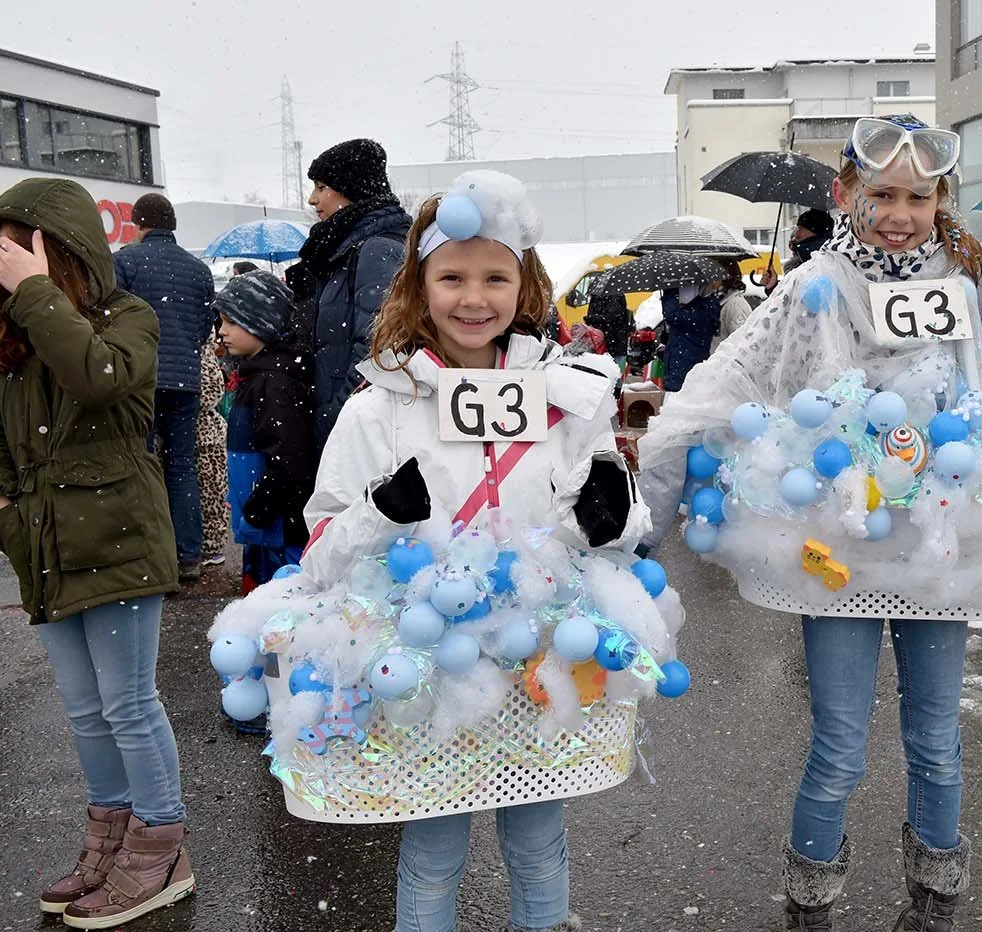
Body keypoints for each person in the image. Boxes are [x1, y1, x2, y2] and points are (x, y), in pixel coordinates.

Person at [638, 115, 982, 931]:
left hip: (943, 545)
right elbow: (720, 389)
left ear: (942, 198)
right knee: (838, 745)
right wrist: (641, 520)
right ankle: (812, 907)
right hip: (844, 551)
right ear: (847, 194)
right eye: (882, 194)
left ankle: (936, 904)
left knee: (936, 741)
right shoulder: (812, 288)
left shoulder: (969, 279)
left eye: (918, 195)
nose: (900, 213)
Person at [299, 170, 648, 932]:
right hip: (429, 668)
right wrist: (380, 514)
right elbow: (320, 553)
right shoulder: (376, 408)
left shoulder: (566, 399)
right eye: (451, 276)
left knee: (538, 842)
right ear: (418, 286)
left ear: (525, 286)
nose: (473, 297)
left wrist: (611, 518)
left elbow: (617, 526)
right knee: (431, 849)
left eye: (496, 276)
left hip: (540, 661)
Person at [0, 178, 193, 928]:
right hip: (45, 545)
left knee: (128, 704)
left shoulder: (128, 317)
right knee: (84, 710)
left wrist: (36, 292)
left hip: (115, 537)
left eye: (19, 246)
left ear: (62, 249)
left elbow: (99, 377)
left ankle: (162, 845)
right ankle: (111, 841)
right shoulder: (15, 338)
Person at [113, 193, 218, 582]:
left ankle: (149, 558)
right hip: (186, 381)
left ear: (140, 225)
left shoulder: (124, 261)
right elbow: (206, 327)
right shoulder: (197, 268)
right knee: (181, 466)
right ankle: (188, 555)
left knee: (141, 464)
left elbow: (112, 317)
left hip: (139, 380)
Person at [285, 138, 412, 455]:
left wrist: (336, 416)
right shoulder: (344, 250)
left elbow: (377, 349)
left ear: (351, 189)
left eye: (322, 186)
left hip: (357, 427)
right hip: (347, 418)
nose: (313, 199)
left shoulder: (377, 249)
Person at [214, 271, 315, 594]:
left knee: (278, 612)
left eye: (231, 322)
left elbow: (288, 460)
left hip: (277, 530)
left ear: (261, 322)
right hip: (266, 528)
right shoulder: (260, 376)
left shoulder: (274, 382)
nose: (221, 332)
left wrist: (257, 512)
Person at [196, 336, 230, 568]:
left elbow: (210, 392)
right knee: (210, 488)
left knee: (210, 488)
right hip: (204, 430)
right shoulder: (201, 350)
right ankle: (209, 542)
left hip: (203, 430)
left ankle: (210, 543)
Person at [659, 282, 721, 392]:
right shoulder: (706, 306)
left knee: (678, 401)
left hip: (683, 371)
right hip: (687, 368)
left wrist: (670, 291)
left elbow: (673, 315)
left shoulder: (701, 309)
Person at [760, 207, 835, 293]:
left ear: (815, 232)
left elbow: (800, 301)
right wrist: (773, 287)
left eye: (801, 228)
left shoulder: (823, 264)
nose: (796, 234)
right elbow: (791, 301)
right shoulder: (801, 260)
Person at [712, 258, 752, 347]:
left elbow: (741, 344)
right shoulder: (717, 302)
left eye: (714, 274)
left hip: (724, 360)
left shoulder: (735, 305)